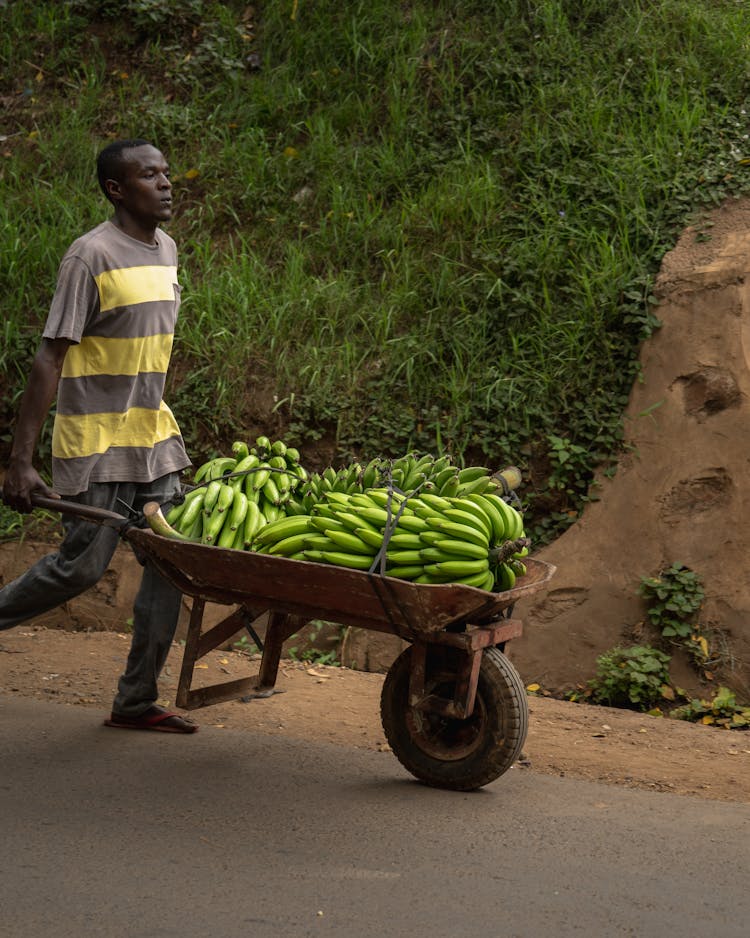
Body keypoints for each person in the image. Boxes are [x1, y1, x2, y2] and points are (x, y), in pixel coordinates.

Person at [0, 139, 198, 733]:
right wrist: (21, 460)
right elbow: (48, 358)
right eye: (149, 175)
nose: (165, 184)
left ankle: (136, 700)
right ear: (116, 189)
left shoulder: (166, 251)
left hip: (152, 436)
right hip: (94, 441)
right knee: (80, 569)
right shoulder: (89, 257)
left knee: (172, 562)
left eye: (166, 172)